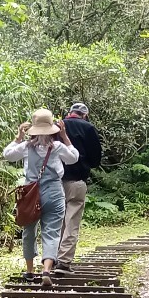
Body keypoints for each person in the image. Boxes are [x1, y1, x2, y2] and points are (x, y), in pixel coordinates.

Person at [3, 109, 79, 288]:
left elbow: (7, 154)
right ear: (53, 128)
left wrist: (18, 137)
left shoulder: (27, 147)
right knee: (51, 232)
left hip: (30, 193)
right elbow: (74, 158)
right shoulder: (58, 147)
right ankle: (46, 270)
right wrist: (65, 136)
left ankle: (30, 272)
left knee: (29, 231)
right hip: (54, 192)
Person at [56, 102, 103, 271]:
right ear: (85, 115)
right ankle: (64, 261)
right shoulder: (88, 128)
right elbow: (96, 158)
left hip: (55, 182)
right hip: (77, 181)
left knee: (56, 222)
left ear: (69, 113)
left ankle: (51, 258)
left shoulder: (57, 126)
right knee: (72, 221)